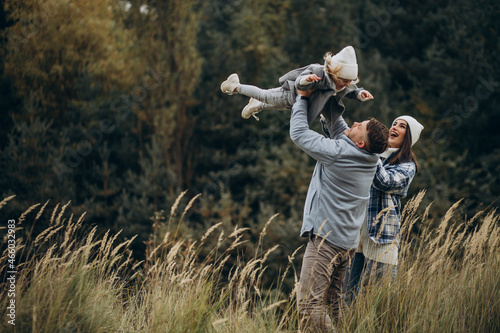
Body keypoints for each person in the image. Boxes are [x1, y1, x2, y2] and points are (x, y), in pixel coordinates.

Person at [290, 88, 389, 332]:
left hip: (326, 241)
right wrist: (334, 91)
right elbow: (337, 124)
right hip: (346, 244)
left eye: (360, 125)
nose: (355, 122)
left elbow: (299, 133)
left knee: (308, 306)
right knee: (333, 304)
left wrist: (303, 97)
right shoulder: (370, 159)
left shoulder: (339, 153)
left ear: (360, 142)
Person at [342, 115, 424, 304]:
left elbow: (384, 182)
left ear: (409, 137)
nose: (394, 127)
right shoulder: (373, 155)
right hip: (355, 235)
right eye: (394, 123)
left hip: (381, 237)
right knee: (345, 295)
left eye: (402, 126)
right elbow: (348, 138)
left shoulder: (406, 165)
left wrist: (373, 150)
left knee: (384, 297)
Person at [220, 46, 373, 122]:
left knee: (277, 106)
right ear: (334, 73)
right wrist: (305, 81)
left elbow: (350, 90)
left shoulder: (343, 84)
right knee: (264, 95)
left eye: (350, 82)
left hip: (298, 104)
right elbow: (300, 81)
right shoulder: (319, 72)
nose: (346, 85)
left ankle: (256, 106)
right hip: (290, 94)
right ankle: (236, 86)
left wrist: (359, 94)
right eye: (344, 81)